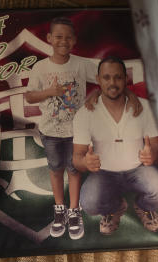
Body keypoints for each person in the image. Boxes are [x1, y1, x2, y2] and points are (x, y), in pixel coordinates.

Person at [25, 17, 140, 241]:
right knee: (56, 168)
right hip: (50, 130)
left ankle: (74, 210)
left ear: (75, 40)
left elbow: (104, 80)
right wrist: (49, 92)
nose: (63, 41)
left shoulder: (80, 64)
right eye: (58, 37)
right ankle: (59, 209)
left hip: (77, 132)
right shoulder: (40, 68)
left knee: (74, 169)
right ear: (49, 38)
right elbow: (29, 96)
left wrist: (96, 93)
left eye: (68, 37)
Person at [73, 56, 158, 235]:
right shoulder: (85, 113)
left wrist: (153, 155)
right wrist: (85, 162)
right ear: (98, 79)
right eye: (106, 77)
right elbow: (76, 158)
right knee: (89, 203)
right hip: (104, 173)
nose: (112, 82)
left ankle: (143, 207)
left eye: (118, 77)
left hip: (138, 169)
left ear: (126, 79)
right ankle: (115, 207)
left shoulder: (143, 107)